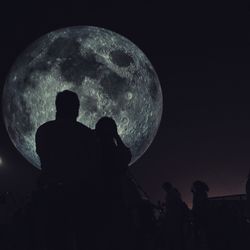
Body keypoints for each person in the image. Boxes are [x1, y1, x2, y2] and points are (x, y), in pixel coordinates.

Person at [35, 90, 98, 250]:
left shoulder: (43, 131)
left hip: (51, 197)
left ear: (57, 107)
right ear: (76, 109)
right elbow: (92, 165)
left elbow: (44, 159)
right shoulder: (86, 134)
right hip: (81, 199)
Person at [95, 117, 132, 250]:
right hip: (116, 199)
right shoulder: (115, 151)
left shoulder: (93, 150)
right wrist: (116, 137)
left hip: (97, 200)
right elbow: (126, 157)